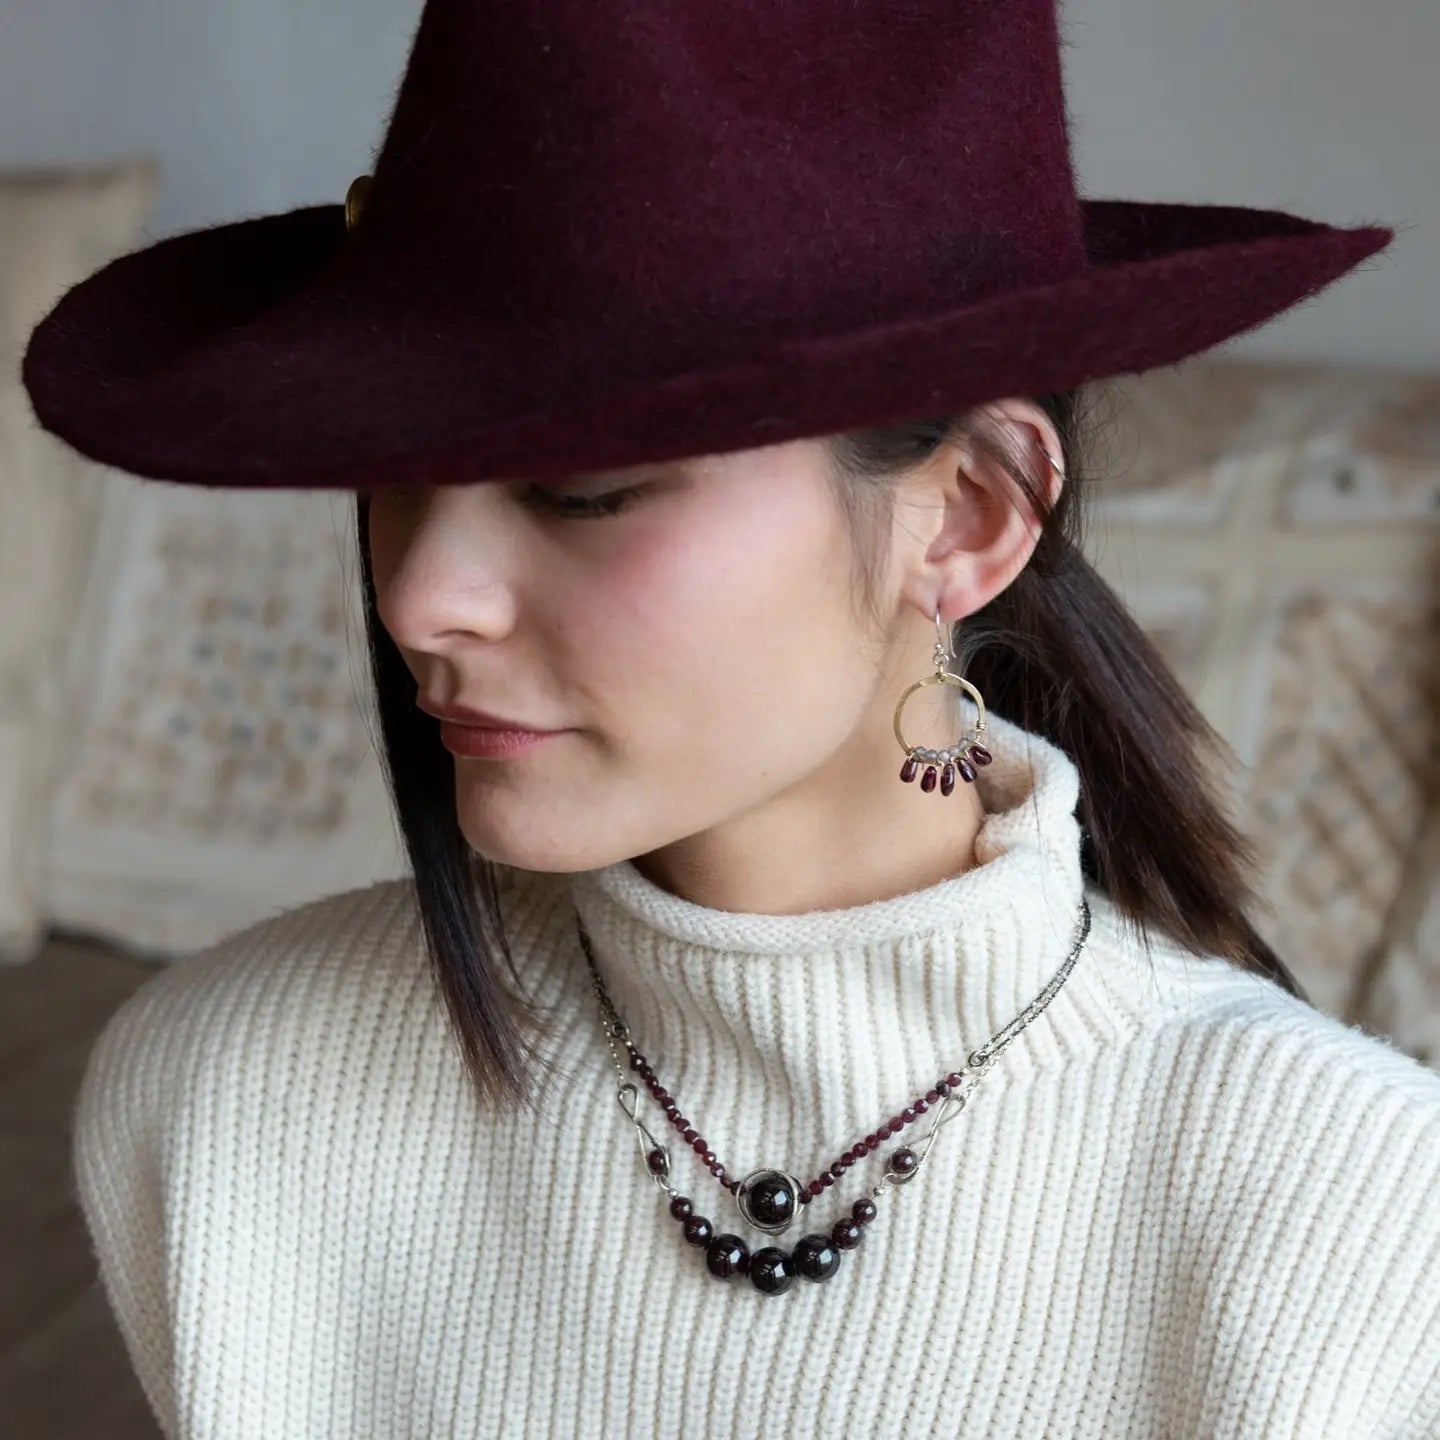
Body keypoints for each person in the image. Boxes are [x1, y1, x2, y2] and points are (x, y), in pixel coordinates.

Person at [22, 1, 1439, 1436]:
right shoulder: (216, 1105)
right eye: (398, 470)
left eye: (579, 488)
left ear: (964, 518)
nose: (421, 598)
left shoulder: (1349, 1221)